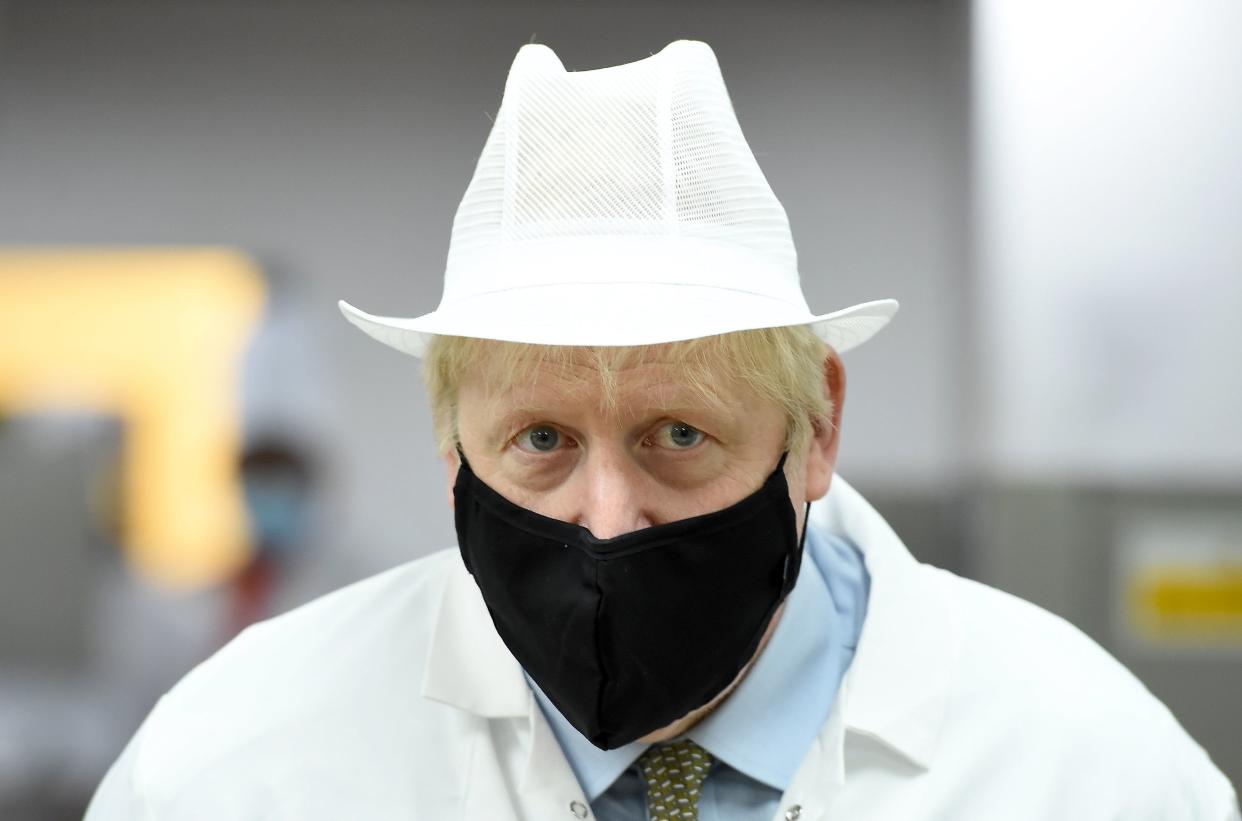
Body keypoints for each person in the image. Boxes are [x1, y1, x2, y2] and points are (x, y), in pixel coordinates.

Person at [86, 40, 1239, 820]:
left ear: (818, 425)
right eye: (539, 439)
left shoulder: (1085, 767)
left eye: (676, 434)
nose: (605, 517)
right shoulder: (235, 764)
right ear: (449, 450)